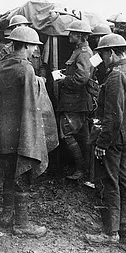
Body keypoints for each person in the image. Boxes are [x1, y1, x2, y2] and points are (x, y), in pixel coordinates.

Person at [0, 26, 58, 236]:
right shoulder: (26, 69)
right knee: (22, 172)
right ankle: (21, 224)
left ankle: (6, 213)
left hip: (2, 134)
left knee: (8, 170)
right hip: (21, 131)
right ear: (27, 45)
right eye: (33, 47)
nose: (34, 51)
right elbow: (31, 106)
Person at [84, 34, 126, 245]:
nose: (102, 59)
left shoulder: (116, 75)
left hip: (113, 137)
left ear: (112, 53)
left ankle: (110, 232)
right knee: (124, 179)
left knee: (110, 181)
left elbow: (113, 116)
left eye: (103, 54)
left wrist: (102, 143)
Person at [55, 19, 94, 181]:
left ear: (79, 35)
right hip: (77, 101)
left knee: (67, 133)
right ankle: (87, 169)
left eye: (72, 32)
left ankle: (81, 169)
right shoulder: (80, 51)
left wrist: (64, 79)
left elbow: (82, 77)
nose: (69, 35)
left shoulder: (83, 52)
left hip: (75, 101)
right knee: (84, 136)